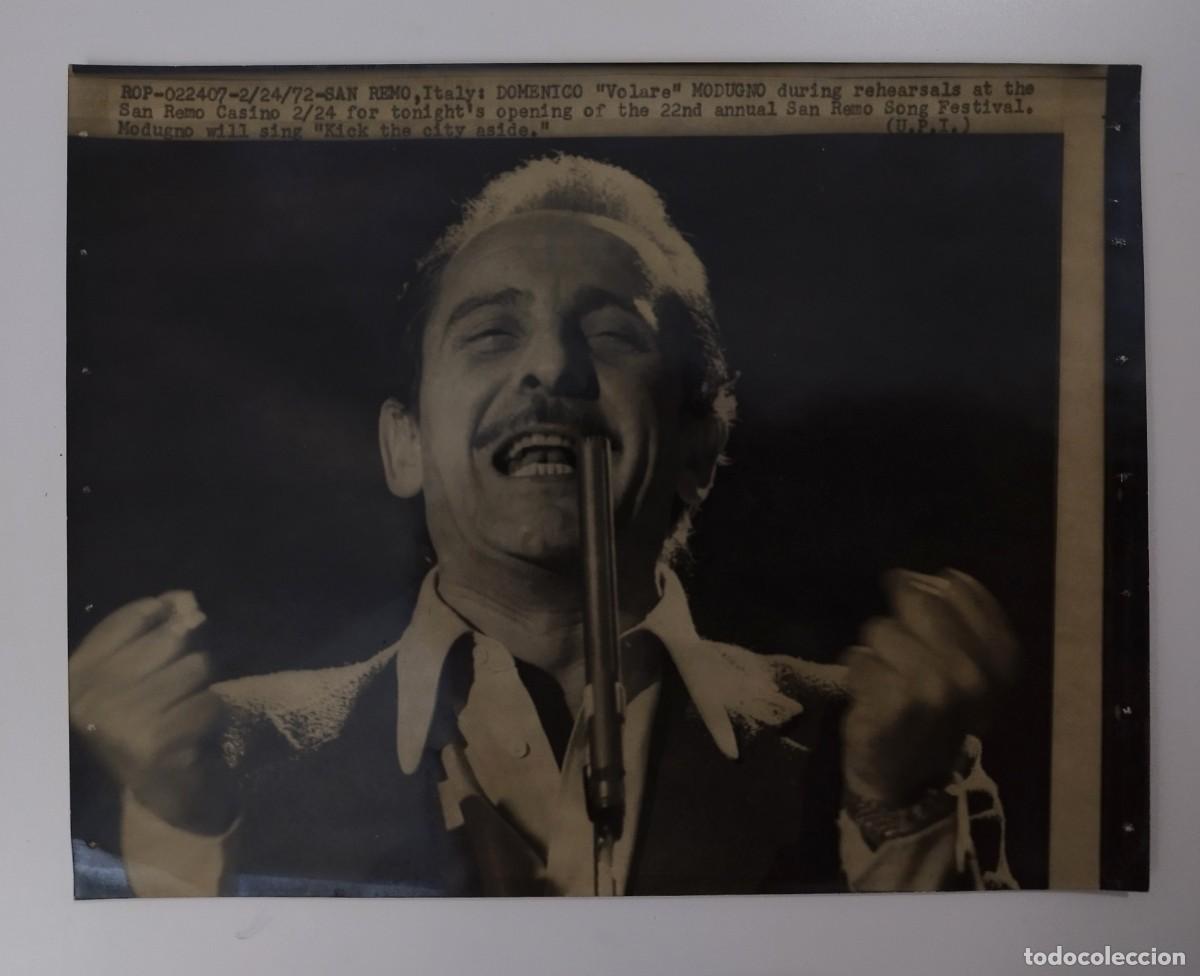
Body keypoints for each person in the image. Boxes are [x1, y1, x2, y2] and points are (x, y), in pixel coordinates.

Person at [68, 154, 1019, 897]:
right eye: (490, 332)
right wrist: (177, 823)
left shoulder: (883, 749)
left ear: (701, 442)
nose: (552, 370)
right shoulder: (225, 757)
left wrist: (897, 814)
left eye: (611, 333)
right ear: (403, 445)